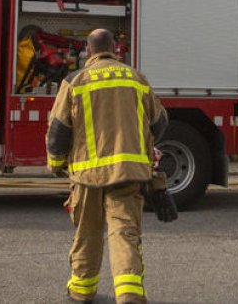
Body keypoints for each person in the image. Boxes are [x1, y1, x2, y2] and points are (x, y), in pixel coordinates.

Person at [46, 29, 169, 304]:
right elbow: (160, 123)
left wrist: (56, 165)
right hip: (128, 173)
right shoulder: (136, 78)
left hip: (87, 176)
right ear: (114, 49)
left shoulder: (74, 80)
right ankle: (129, 294)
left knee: (87, 232)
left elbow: (58, 131)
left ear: (88, 52)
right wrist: (140, 146)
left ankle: (81, 291)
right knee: (124, 232)